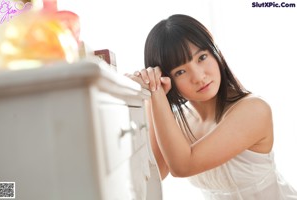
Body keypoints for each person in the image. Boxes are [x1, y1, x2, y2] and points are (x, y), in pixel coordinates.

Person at [125, 14, 297, 199]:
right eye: (180, 71)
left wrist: (155, 90)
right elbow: (157, 171)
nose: (199, 76)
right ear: (169, 78)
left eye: (202, 57)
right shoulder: (179, 121)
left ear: (216, 53)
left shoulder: (254, 110)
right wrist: (153, 92)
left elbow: (183, 166)